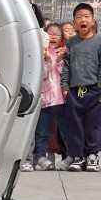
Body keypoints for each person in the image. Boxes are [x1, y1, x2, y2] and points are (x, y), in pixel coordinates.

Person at [60, 3, 101, 172]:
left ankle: (92, 155)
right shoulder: (71, 43)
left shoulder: (100, 41)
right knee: (75, 124)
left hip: (95, 89)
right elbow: (66, 65)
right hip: (75, 90)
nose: (83, 20)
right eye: (79, 17)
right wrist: (65, 85)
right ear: (74, 22)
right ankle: (78, 156)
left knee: (94, 123)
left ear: (93, 20)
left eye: (86, 17)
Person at [34, 23, 67, 171]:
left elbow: (64, 74)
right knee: (42, 130)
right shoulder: (39, 53)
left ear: (62, 38)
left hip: (61, 99)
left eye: (57, 34)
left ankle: (68, 157)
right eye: (50, 34)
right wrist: (46, 59)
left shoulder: (64, 52)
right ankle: (40, 156)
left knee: (64, 130)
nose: (53, 36)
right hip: (45, 100)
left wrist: (59, 60)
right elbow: (41, 75)